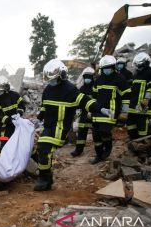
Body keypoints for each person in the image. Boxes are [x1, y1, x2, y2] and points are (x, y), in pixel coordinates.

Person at [34, 59, 111, 191]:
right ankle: (45, 177)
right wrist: (40, 115)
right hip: (49, 126)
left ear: (62, 76)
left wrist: (100, 109)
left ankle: (44, 179)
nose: (51, 81)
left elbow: (85, 101)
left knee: (44, 148)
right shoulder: (48, 89)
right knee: (41, 150)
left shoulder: (70, 90)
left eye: (54, 79)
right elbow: (44, 106)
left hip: (61, 127)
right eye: (49, 79)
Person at [91, 55, 131, 164]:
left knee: (104, 131)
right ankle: (99, 155)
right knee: (96, 135)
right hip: (97, 111)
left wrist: (124, 112)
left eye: (108, 68)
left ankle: (108, 148)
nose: (106, 70)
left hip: (111, 111)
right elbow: (93, 96)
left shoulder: (119, 79)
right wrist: (90, 110)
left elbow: (127, 96)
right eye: (104, 68)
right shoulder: (98, 79)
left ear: (113, 67)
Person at [127, 52, 151, 140]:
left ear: (145, 63)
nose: (138, 67)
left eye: (139, 65)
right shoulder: (136, 73)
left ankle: (143, 142)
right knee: (130, 123)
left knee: (142, 123)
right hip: (133, 104)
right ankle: (133, 139)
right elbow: (133, 88)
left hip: (143, 104)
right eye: (137, 65)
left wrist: (146, 99)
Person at [0, 75, 25, 152]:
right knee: (4, 146)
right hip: (3, 129)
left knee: (16, 146)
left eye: (1, 90)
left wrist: (19, 113)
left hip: (16, 126)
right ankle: (2, 161)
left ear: (6, 88)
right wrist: (9, 120)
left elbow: (22, 106)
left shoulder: (15, 95)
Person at [71, 67, 95, 157]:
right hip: (83, 114)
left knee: (96, 134)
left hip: (93, 114)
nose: (87, 79)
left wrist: (92, 111)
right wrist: (77, 117)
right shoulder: (81, 89)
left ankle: (98, 151)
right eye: (86, 77)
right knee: (81, 134)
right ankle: (78, 150)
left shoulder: (95, 88)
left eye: (89, 77)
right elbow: (78, 103)